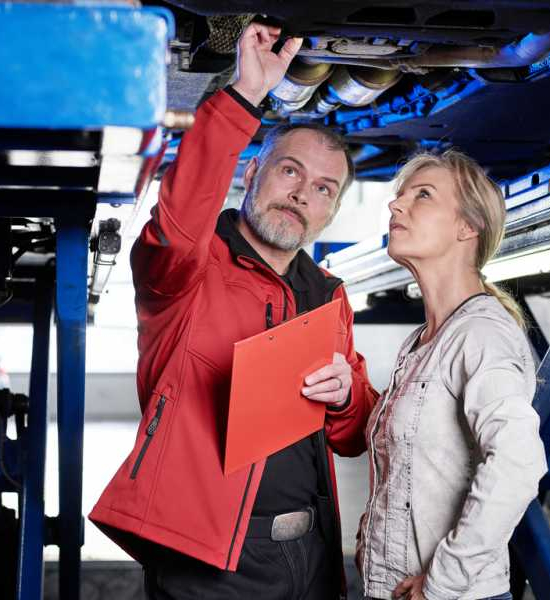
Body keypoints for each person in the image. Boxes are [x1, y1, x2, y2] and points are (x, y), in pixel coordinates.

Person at [90, 22, 377, 600]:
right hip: (211, 563)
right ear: (253, 173)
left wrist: (346, 397)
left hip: (312, 556)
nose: (302, 194)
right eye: (290, 170)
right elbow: (179, 215)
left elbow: (352, 436)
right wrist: (244, 96)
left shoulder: (326, 294)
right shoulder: (188, 271)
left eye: (324, 188)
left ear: (330, 212)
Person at [356, 150, 547, 600]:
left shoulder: (480, 334)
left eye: (422, 195)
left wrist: (442, 582)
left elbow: (519, 463)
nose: (396, 206)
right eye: (399, 196)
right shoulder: (421, 342)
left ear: (467, 227)